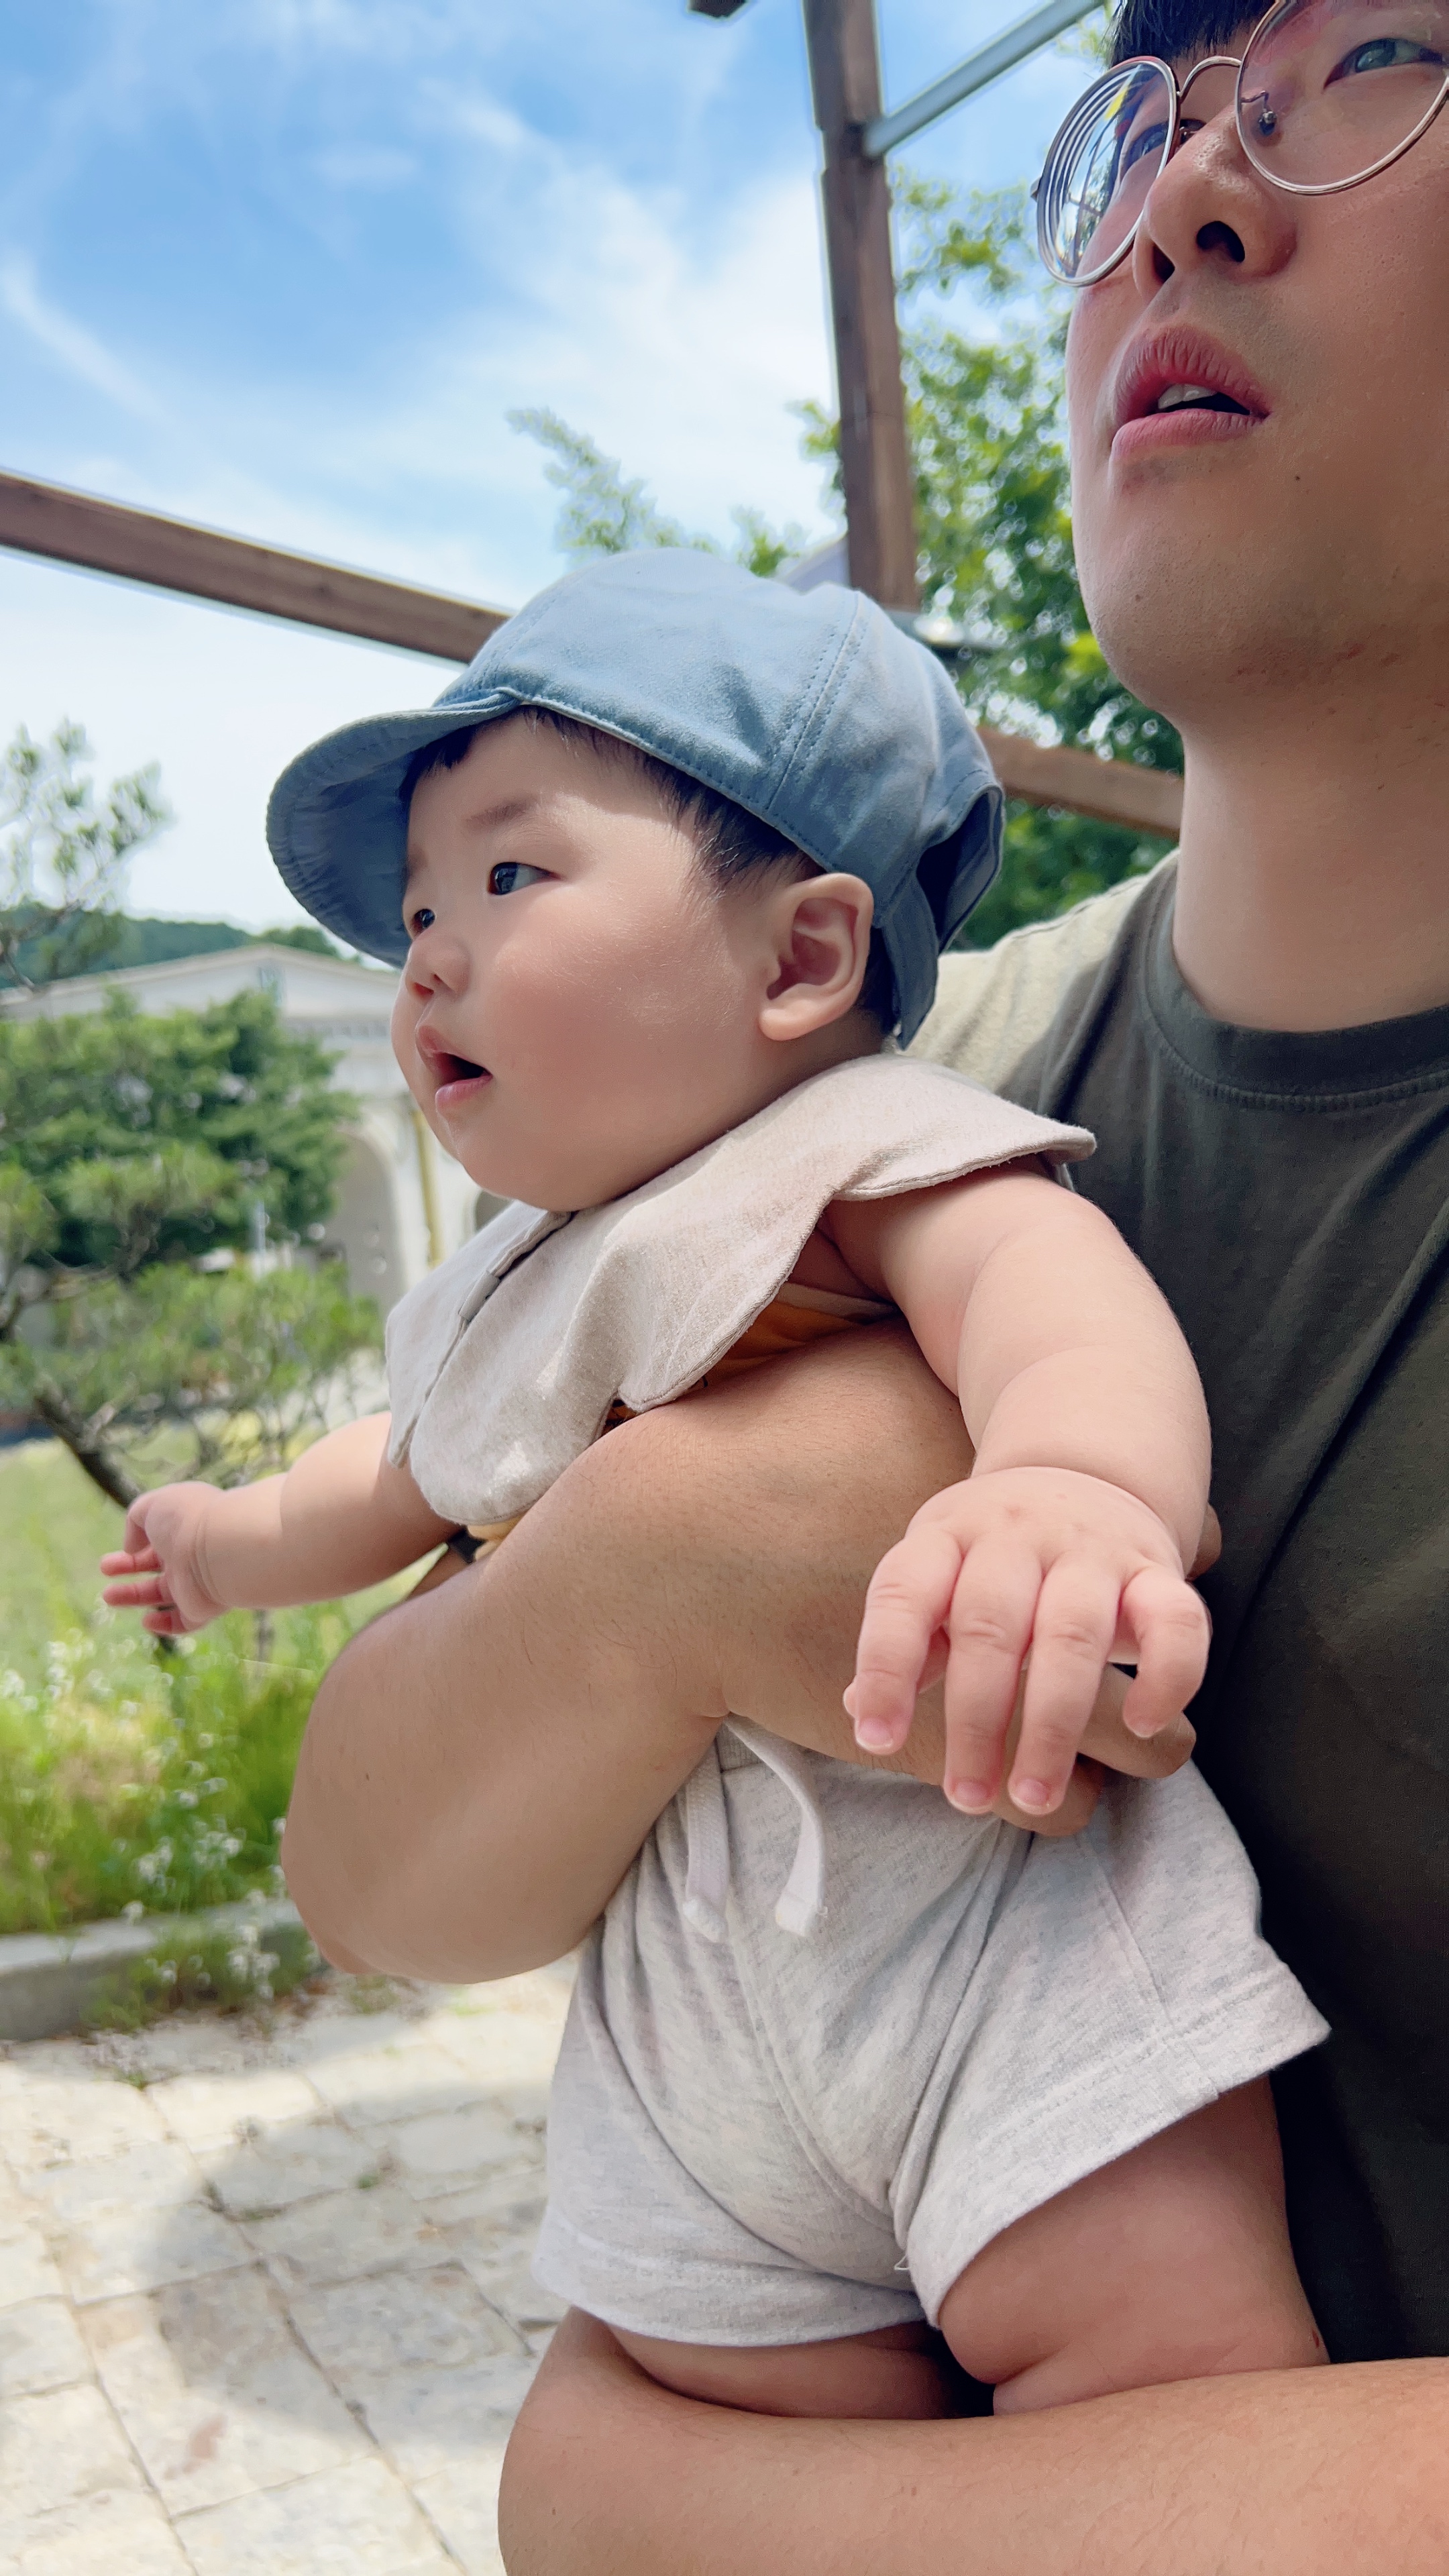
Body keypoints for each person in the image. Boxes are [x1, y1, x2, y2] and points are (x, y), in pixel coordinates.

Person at [274, 0, 1449, 2542]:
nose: (1186, 197)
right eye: (1143, 118)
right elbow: (378, 1874)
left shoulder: (887, 1154)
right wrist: (673, 1554)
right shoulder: (786, 1130)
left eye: (1376, 62)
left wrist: (660, 2504)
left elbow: (600, 2494)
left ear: (806, 940)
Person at [102, 548, 1325, 2422]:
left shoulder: (859, 1149)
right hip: (684, 2038)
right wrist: (218, 1543)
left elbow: (1049, 1297)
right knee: (749, 2449)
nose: (427, 954)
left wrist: (1075, 1486)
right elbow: (389, 1476)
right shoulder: (503, 1285)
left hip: (994, 1942)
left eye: (512, 875)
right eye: (417, 907)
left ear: (802, 958)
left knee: (1169, 2397)